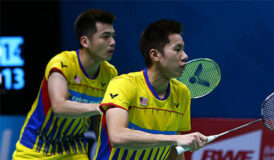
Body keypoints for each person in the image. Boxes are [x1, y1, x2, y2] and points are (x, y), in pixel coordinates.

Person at [12, 9, 118, 160]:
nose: (112, 42)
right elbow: (59, 107)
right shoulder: (63, 64)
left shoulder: (110, 74)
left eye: (113, 36)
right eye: (105, 37)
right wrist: (96, 107)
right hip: (36, 146)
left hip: (73, 148)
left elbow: (99, 120)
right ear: (85, 41)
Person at [94, 19, 207, 160]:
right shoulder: (124, 85)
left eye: (183, 49)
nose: (185, 56)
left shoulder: (182, 93)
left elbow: (174, 152)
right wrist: (174, 139)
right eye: (177, 49)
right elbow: (117, 136)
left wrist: (176, 141)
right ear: (155, 55)